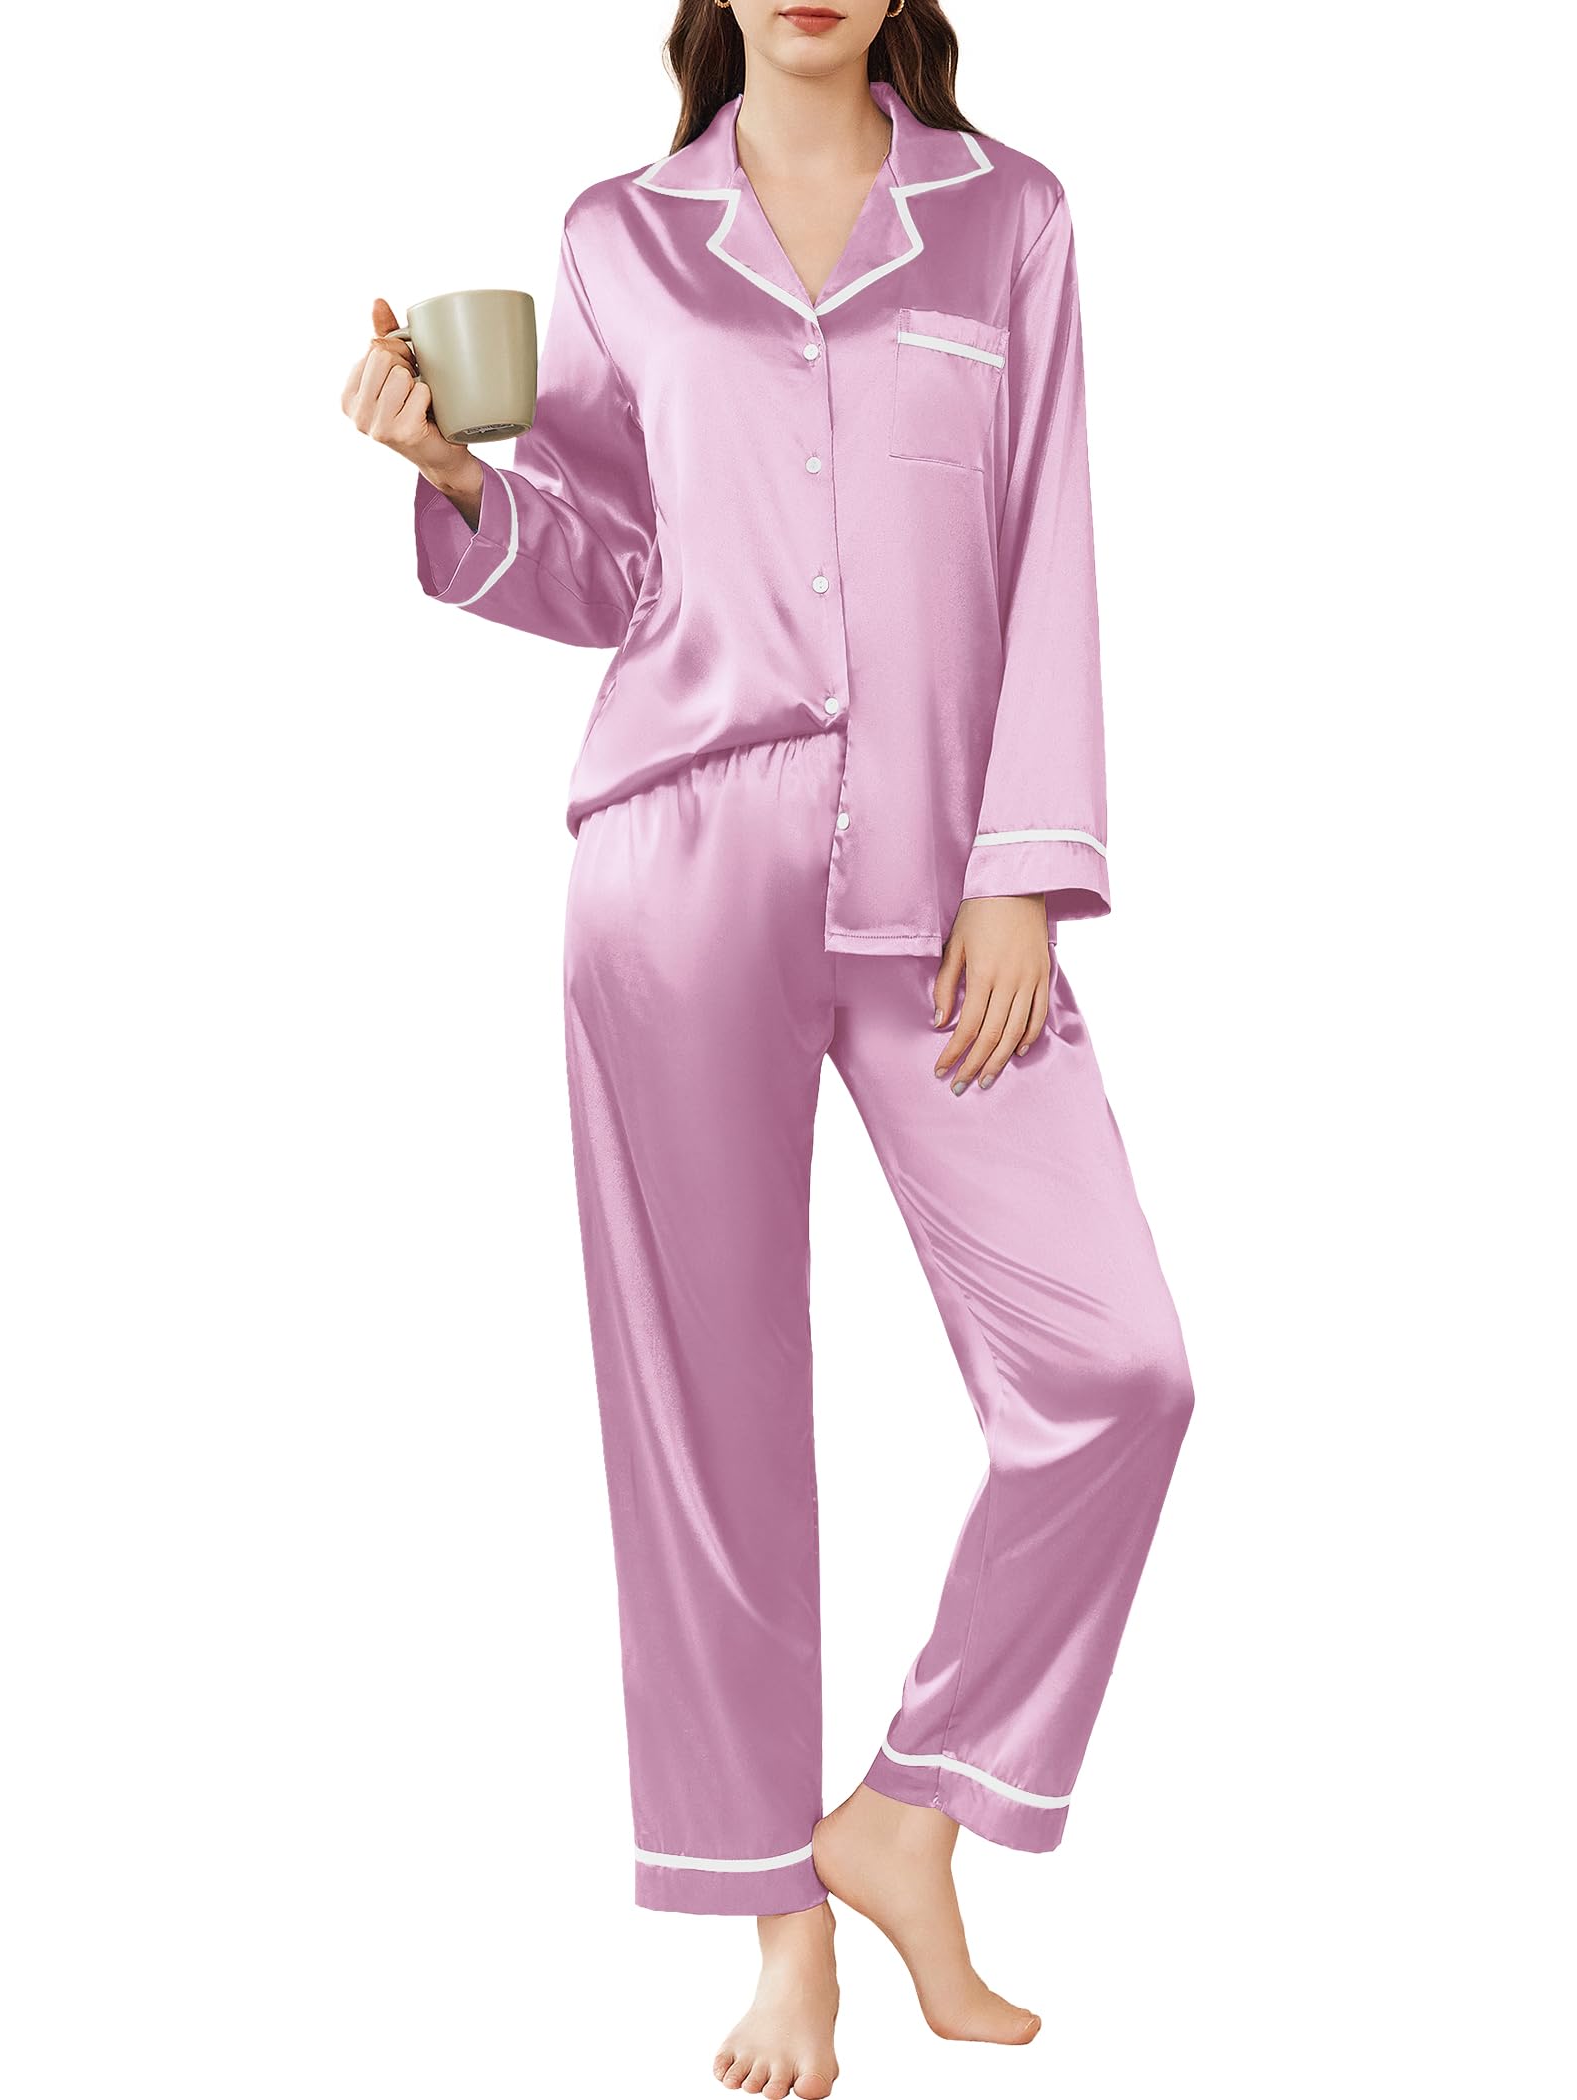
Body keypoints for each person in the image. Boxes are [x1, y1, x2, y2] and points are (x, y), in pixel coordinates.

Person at [341, 3, 1195, 2092]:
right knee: (710, 1426)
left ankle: (909, 1814)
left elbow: (1052, 544)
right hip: (678, 862)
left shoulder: (1008, 220)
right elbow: (617, 563)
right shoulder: (620, 237)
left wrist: (1027, 867)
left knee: (1118, 1373)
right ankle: (778, 1933)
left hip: (945, 882)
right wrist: (457, 479)